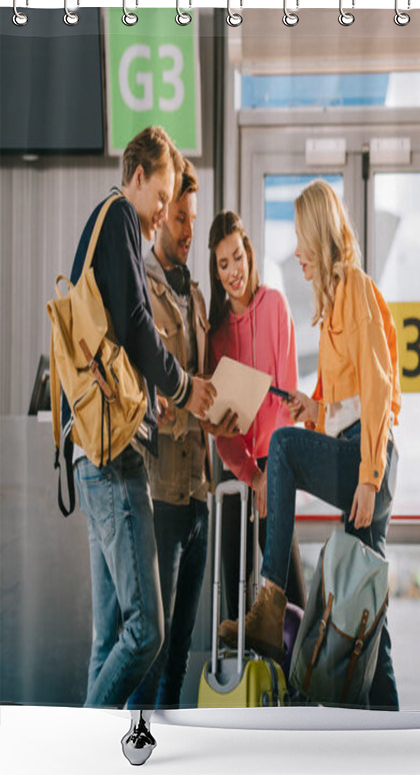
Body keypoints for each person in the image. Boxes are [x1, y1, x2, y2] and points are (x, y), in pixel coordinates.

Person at [217, 180, 402, 710]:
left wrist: (368, 477)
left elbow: (379, 388)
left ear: (320, 236)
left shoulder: (357, 289)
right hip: (360, 455)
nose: (296, 252)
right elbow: (345, 405)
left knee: (284, 450)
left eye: (300, 239)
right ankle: (391, 728)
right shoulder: (334, 302)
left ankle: (271, 602)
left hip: (371, 465)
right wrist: (312, 408)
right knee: (361, 611)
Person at [66, 126, 217, 708]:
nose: (161, 215)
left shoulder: (102, 223)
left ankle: (92, 760)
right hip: (115, 458)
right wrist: (183, 387)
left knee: (110, 640)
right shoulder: (122, 219)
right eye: (162, 198)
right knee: (146, 633)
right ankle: (83, 742)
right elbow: (136, 325)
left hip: (91, 453)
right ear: (137, 177)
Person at [126, 160, 237, 710]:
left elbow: (198, 386)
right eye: (180, 219)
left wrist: (221, 411)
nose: (189, 230)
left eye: (193, 219)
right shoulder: (140, 286)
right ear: (159, 216)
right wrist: (186, 404)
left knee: (179, 663)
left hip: (199, 495)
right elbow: (150, 392)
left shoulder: (195, 295)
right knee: (150, 654)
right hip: (160, 497)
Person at [207, 210, 306, 620]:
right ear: (216, 272)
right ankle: (241, 677)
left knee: (290, 592)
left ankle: (297, 681)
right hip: (238, 472)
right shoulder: (216, 335)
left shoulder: (275, 307)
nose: (233, 271)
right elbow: (223, 431)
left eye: (237, 257)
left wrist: (272, 473)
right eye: (223, 264)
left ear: (249, 252)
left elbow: (286, 400)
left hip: (277, 463)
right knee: (236, 594)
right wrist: (252, 474)